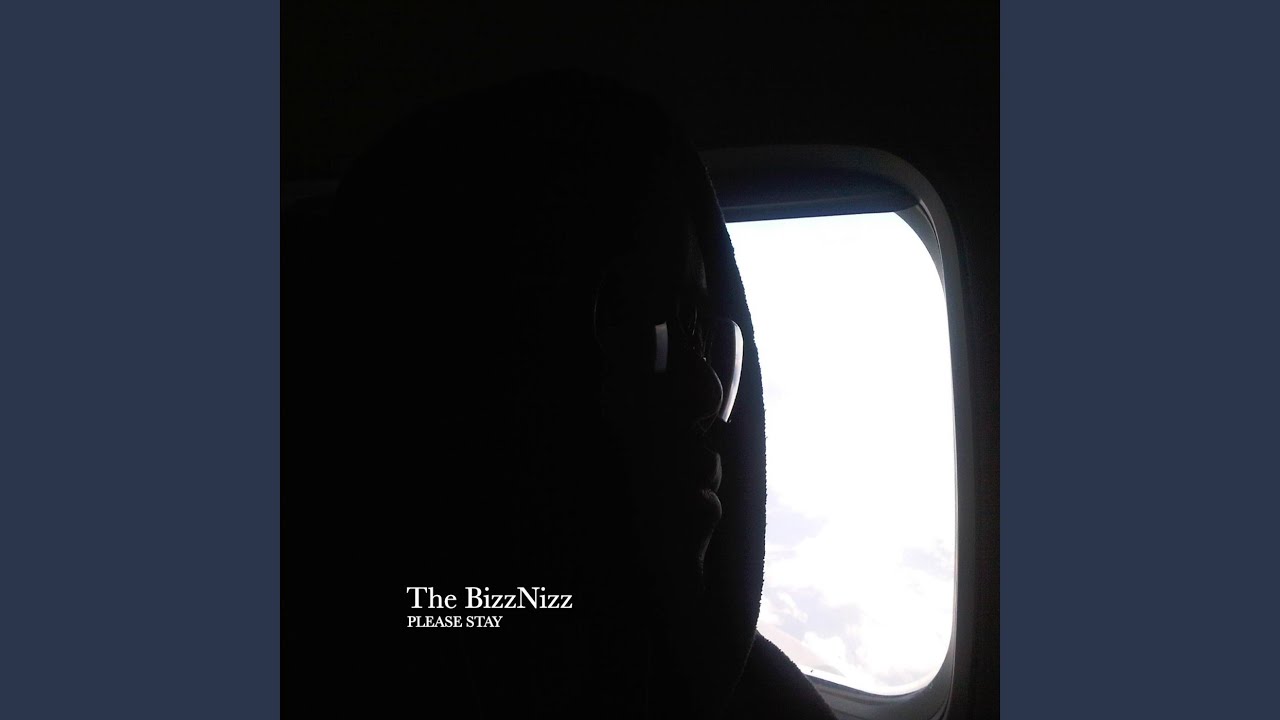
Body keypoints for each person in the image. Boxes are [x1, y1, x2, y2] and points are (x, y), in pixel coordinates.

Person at [300, 70, 835, 720]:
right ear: (464, 360)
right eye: (622, 316)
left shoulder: (743, 689)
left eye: (699, 327)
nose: (706, 388)